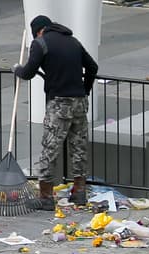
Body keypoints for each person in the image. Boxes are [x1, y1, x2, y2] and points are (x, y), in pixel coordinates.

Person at [13, 15, 99, 210]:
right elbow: (92, 66)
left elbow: (28, 72)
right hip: (79, 103)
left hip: (59, 104)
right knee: (79, 148)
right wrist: (84, 90)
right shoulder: (73, 41)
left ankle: (45, 197)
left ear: (38, 31)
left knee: (49, 150)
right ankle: (79, 193)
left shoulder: (41, 43)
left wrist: (17, 69)